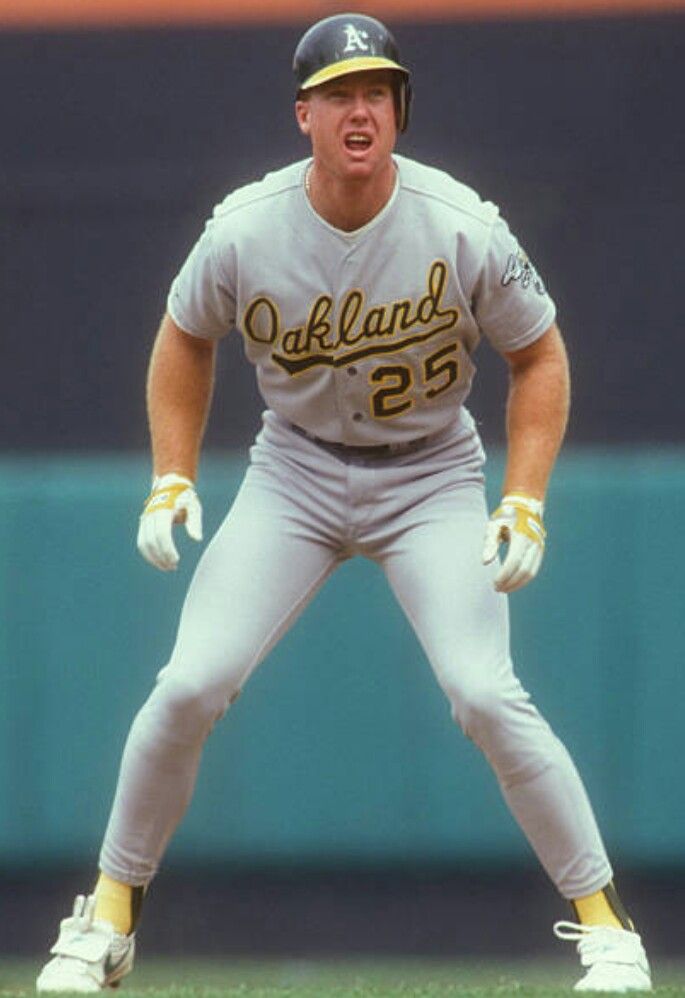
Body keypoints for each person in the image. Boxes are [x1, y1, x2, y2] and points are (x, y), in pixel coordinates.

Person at [36, 12, 652, 994]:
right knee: (189, 681)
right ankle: (107, 916)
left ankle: (608, 925)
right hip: (297, 470)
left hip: (431, 473)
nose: (358, 109)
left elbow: (537, 353)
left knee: (486, 692)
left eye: (377, 91)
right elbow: (183, 333)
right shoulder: (248, 225)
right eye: (338, 93)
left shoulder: (460, 222)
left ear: (398, 112)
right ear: (303, 115)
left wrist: (525, 499)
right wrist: (170, 471)